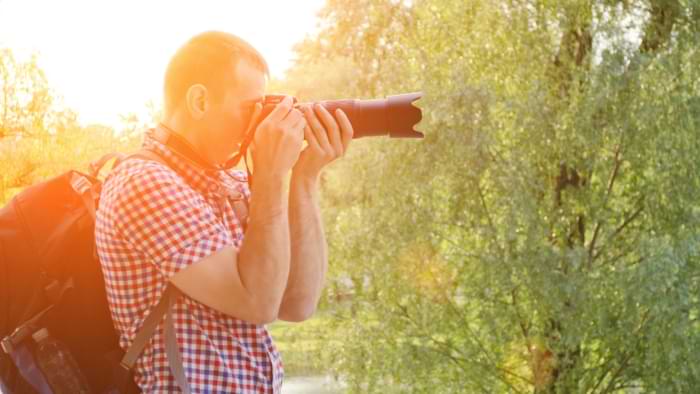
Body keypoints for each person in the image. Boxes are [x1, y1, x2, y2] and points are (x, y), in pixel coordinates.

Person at [95, 31, 353, 393]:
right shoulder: (143, 183)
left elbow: (297, 302)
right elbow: (259, 302)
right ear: (199, 101)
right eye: (251, 109)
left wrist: (305, 178)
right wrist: (270, 175)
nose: (258, 125)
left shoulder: (226, 182)